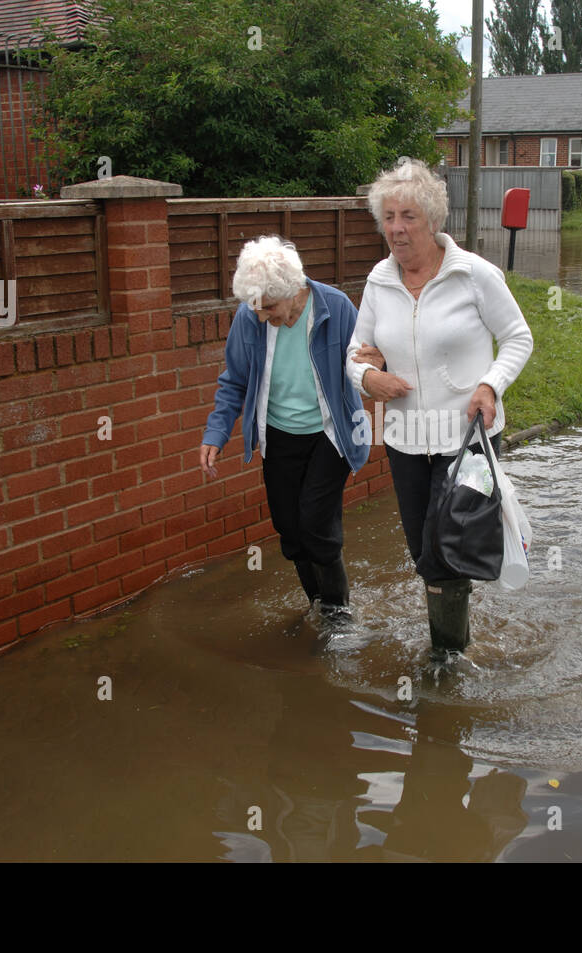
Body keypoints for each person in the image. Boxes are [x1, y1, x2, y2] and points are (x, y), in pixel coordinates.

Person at [346, 158, 533, 659]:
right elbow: (355, 351)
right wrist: (368, 376)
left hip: (465, 439)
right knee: (424, 551)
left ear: (432, 220)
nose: (396, 229)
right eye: (388, 217)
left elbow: (517, 337)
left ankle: (448, 654)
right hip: (406, 439)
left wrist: (490, 385)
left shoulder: (474, 275)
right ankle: (455, 641)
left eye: (407, 216)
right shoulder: (378, 281)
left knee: (446, 549)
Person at [200, 236, 369, 616]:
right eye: (257, 308)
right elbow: (234, 379)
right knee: (290, 530)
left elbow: (363, 364)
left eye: (269, 307)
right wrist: (217, 431)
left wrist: (380, 377)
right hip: (279, 433)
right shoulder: (250, 317)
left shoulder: (336, 307)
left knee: (315, 524)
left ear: (293, 291)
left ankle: (338, 617)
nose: (262, 316)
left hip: (331, 433)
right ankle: (317, 606)